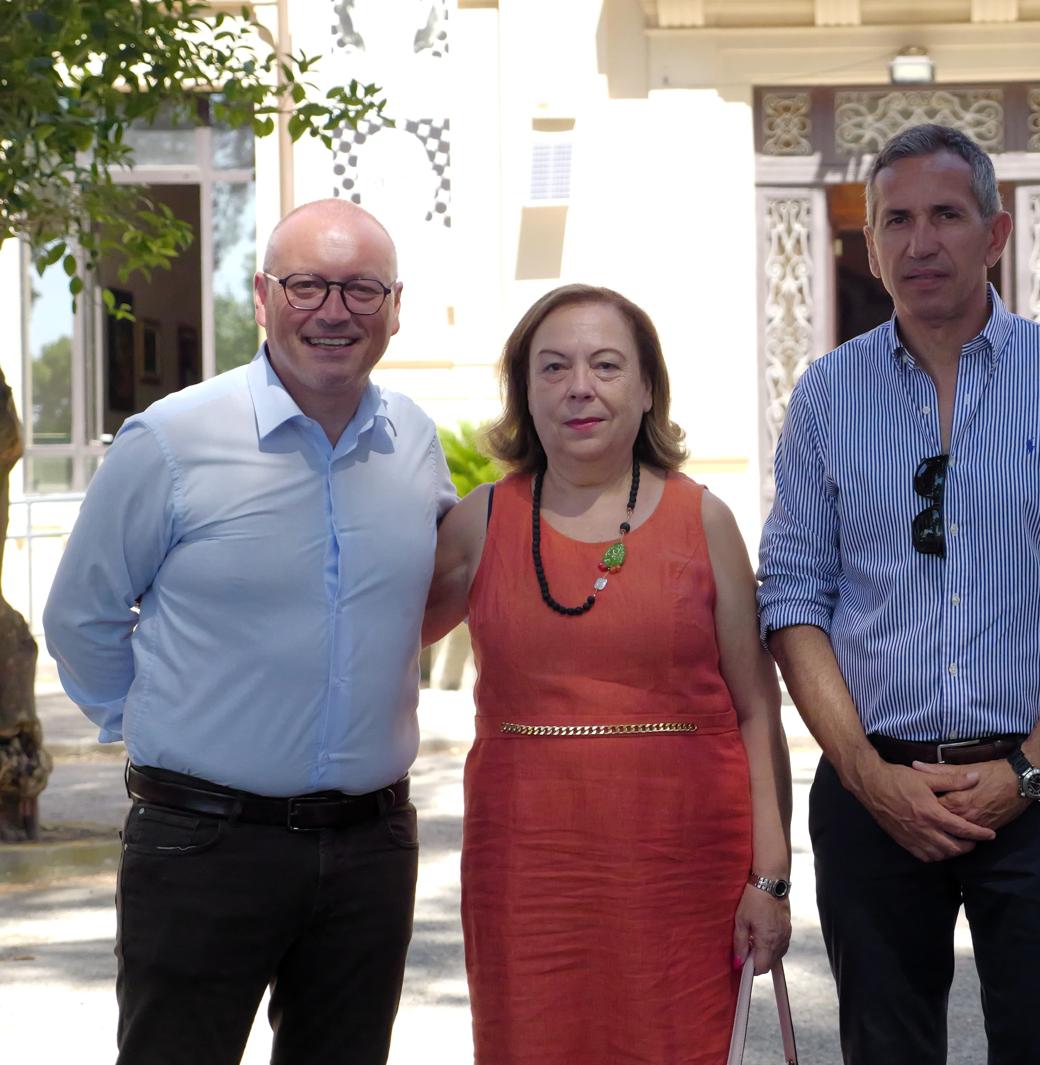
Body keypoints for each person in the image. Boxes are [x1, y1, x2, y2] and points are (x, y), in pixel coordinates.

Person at [757, 123, 1040, 1064]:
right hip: (875, 792)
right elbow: (793, 597)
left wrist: (1029, 772)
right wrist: (864, 773)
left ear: (998, 232)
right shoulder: (824, 394)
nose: (920, 241)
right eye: (895, 220)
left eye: (946, 214)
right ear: (869, 246)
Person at [43, 198, 454, 1065]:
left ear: (394, 306)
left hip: (370, 850)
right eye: (306, 285)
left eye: (360, 289)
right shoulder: (172, 439)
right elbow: (82, 615)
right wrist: (161, 729)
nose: (333, 310)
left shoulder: (413, 442)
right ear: (263, 297)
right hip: (201, 845)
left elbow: (424, 597)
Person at [424, 283, 792, 1064]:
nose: (579, 387)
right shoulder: (477, 522)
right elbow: (369, 643)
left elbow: (757, 710)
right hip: (526, 871)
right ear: (525, 391)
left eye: (606, 364)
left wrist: (773, 876)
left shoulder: (706, 521)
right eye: (552, 367)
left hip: (683, 875)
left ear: (647, 385)